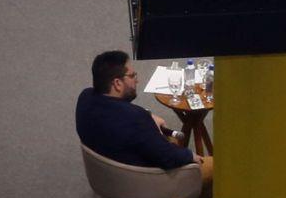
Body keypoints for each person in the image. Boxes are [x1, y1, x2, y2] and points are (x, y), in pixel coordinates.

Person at [78, 49, 211, 186]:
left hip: (107, 179)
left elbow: (121, 116)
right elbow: (167, 157)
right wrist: (190, 156)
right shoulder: (135, 119)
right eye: (132, 76)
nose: (137, 80)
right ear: (117, 83)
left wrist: (147, 116)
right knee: (214, 165)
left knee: (172, 141)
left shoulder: (85, 97)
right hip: (142, 184)